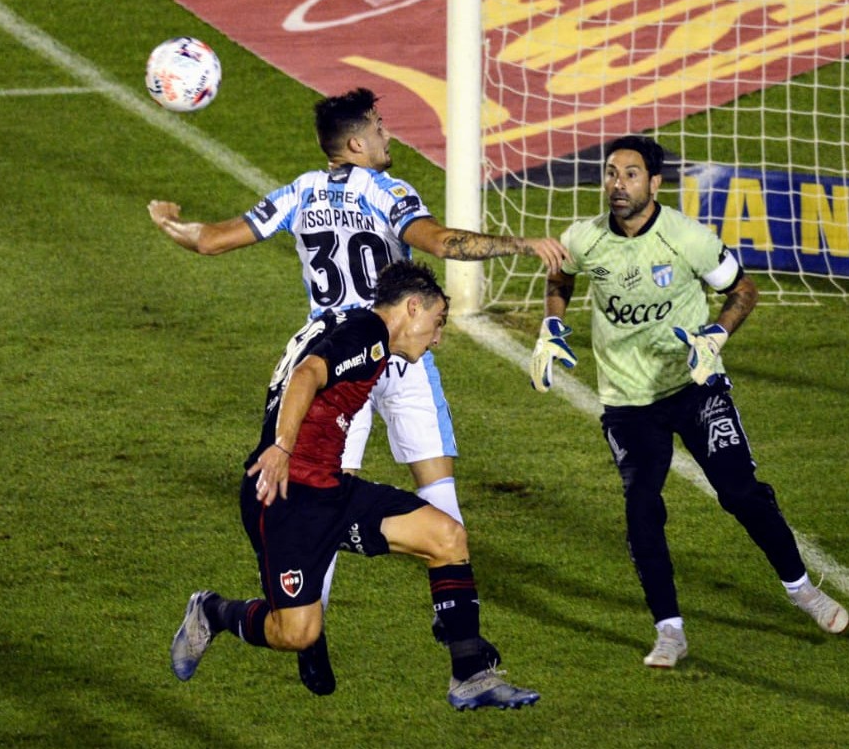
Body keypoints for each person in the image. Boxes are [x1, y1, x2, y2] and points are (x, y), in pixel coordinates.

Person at [149, 87, 567, 692]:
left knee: (385, 513)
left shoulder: (300, 192)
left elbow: (212, 239)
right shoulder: (388, 191)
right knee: (386, 497)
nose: (387, 135)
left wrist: (172, 224)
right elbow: (441, 242)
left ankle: (451, 659)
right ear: (356, 144)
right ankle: (322, 637)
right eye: (379, 128)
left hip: (358, 346)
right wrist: (520, 245)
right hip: (371, 354)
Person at [528, 135, 849, 669]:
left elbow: (743, 290)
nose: (617, 184)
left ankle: (802, 590)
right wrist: (551, 323)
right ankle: (669, 630)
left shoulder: (687, 238)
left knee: (741, 492)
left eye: (631, 174)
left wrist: (716, 336)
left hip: (695, 385)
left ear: (655, 183)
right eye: (611, 173)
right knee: (641, 508)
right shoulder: (584, 238)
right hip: (628, 401)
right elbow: (561, 274)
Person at [169, 260, 538, 710]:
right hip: (286, 499)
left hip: (333, 491)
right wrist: (283, 448)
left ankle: (469, 676)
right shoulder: (368, 334)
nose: (437, 337)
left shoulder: (347, 322)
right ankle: (212, 612)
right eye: (437, 323)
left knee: (447, 536)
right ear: (413, 307)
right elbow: (307, 374)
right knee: (296, 632)